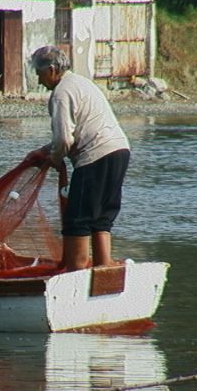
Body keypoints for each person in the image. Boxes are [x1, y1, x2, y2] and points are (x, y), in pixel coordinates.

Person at [26, 46, 130, 271]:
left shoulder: (62, 92)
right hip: (119, 150)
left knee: (78, 218)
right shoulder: (82, 83)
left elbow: (64, 140)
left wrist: (52, 159)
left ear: (52, 70)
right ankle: (104, 267)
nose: (38, 79)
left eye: (39, 72)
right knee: (102, 215)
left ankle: (76, 271)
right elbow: (71, 134)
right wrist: (47, 151)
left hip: (95, 156)